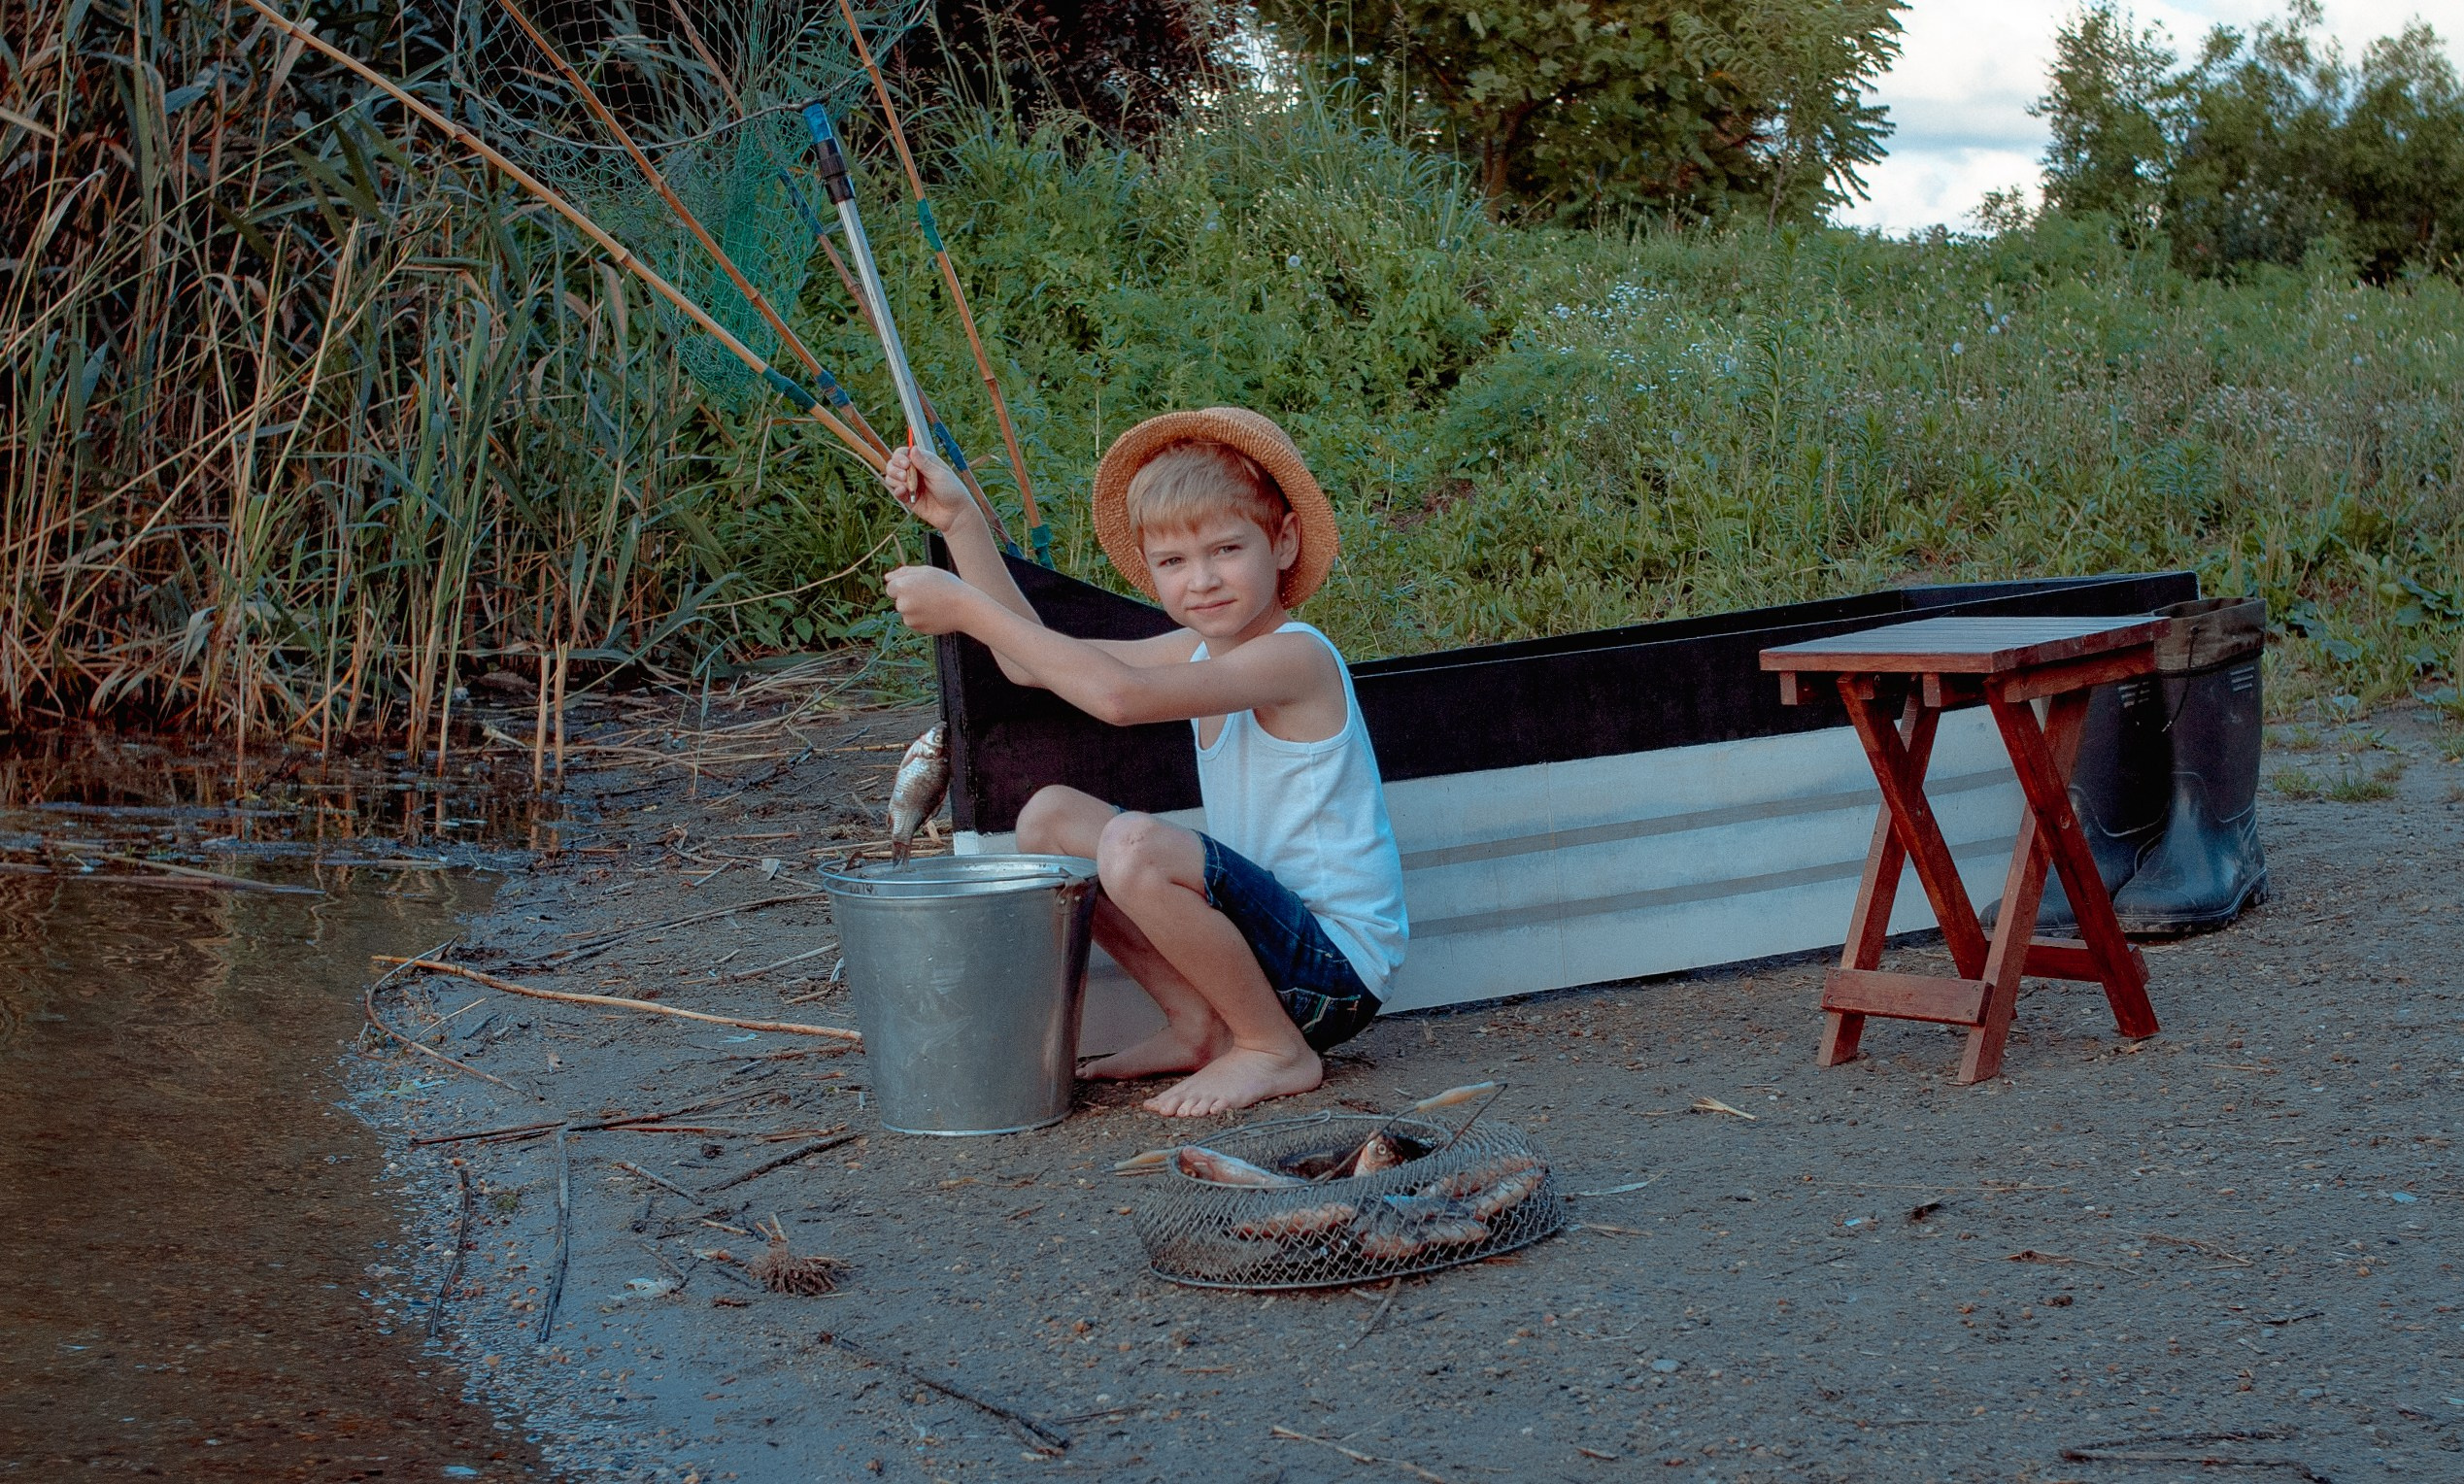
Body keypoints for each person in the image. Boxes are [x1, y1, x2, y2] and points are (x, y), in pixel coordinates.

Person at [878, 408, 1407, 1117]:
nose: (1202, 582)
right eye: (1172, 562)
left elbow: (1118, 698)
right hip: (1264, 950)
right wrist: (962, 525)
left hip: (1331, 974)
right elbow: (1029, 662)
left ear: (1281, 543)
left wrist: (964, 611)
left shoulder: (1296, 656)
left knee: (1134, 846)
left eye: (1226, 550)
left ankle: (1274, 1050)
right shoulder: (1197, 649)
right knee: (1049, 820)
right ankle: (1199, 1024)